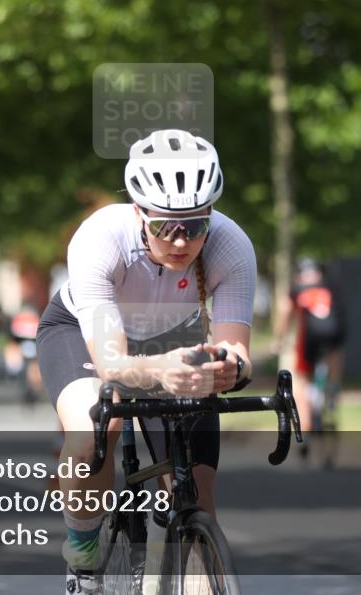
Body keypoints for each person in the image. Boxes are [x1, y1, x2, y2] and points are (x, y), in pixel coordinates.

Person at [35, 129, 256, 594]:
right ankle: (84, 561)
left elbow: (237, 348)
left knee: (196, 490)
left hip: (175, 339)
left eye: (195, 226)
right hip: (82, 332)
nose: (180, 241)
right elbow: (112, 363)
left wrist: (230, 369)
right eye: (164, 226)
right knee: (96, 429)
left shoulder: (232, 246)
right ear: (139, 212)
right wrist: (161, 370)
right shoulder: (99, 238)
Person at [276, 257, 346, 433]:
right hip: (333, 334)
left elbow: (285, 312)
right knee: (335, 356)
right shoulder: (329, 286)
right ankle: (332, 391)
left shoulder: (297, 288)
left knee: (301, 380)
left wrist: (279, 339)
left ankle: (305, 425)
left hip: (309, 338)